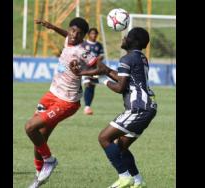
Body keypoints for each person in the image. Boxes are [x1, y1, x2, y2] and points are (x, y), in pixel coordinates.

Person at [70, 27, 157, 188]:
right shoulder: (140, 57)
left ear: (133, 41)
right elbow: (121, 78)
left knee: (104, 138)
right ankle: (138, 181)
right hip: (148, 107)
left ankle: (124, 177)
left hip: (138, 108)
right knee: (121, 147)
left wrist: (102, 79)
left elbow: (120, 88)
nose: (123, 37)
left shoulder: (126, 59)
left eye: (127, 36)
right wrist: (85, 73)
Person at [25, 17, 102, 188]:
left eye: (78, 33)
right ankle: (39, 176)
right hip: (51, 94)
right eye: (72, 30)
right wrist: (52, 26)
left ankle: (49, 160)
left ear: (83, 36)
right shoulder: (69, 38)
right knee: (40, 137)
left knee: (30, 127)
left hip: (67, 101)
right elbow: (67, 35)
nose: (74, 35)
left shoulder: (83, 51)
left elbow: (100, 67)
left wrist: (82, 72)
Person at [82, 28, 104, 115]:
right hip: (85, 68)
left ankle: (87, 106)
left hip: (95, 69)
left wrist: (95, 60)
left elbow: (101, 56)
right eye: (92, 34)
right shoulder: (84, 44)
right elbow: (81, 54)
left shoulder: (99, 45)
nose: (94, 35)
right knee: (87, 83)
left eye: (95, 34)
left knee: (91, 86)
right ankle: (86, 107)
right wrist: (90, 61)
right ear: (88, 34)